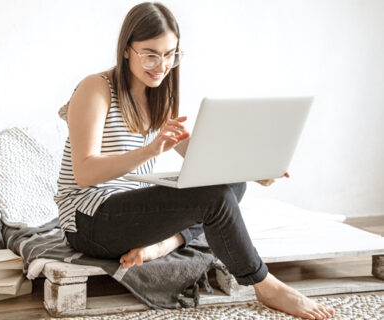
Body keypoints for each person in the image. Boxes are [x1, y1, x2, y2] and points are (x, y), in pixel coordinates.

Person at [54, 2, 335, 319]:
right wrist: (150, 151)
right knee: (214, 198)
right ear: (126, 50)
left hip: (128, 213)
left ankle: (166, 244)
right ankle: (265, 283)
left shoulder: (158, 93)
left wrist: (256, 168)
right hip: (88, 220)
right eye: (150, 53)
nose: (161, 65)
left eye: (170, 54)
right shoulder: (96, 88)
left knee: (229, 183)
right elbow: (84, 172)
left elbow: (201, 158)